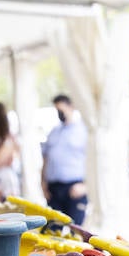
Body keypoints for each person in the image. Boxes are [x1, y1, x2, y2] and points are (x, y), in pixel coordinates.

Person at [41, 94, 89, 224]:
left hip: (75, 187)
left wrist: (86, 185)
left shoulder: (84, 131)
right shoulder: (54, 132)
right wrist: (43, 184)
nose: (59, 113)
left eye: (61, 110)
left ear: (70, 107)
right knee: (52, 230)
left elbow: (94, 162)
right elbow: (46, 158)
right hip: (54, 189)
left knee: (76, 232)